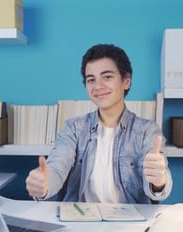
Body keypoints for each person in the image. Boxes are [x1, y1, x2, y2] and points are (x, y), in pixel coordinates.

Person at [25, 44, 172, 204]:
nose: (98, 86)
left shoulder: (147, 131)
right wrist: (45, 184)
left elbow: (158, 184)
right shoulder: (73, 128)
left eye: (107, 77)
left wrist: (158, 181)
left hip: (130, 224)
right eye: (91, 80)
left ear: (126, 81)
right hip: (80, 222)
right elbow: (57, 166)